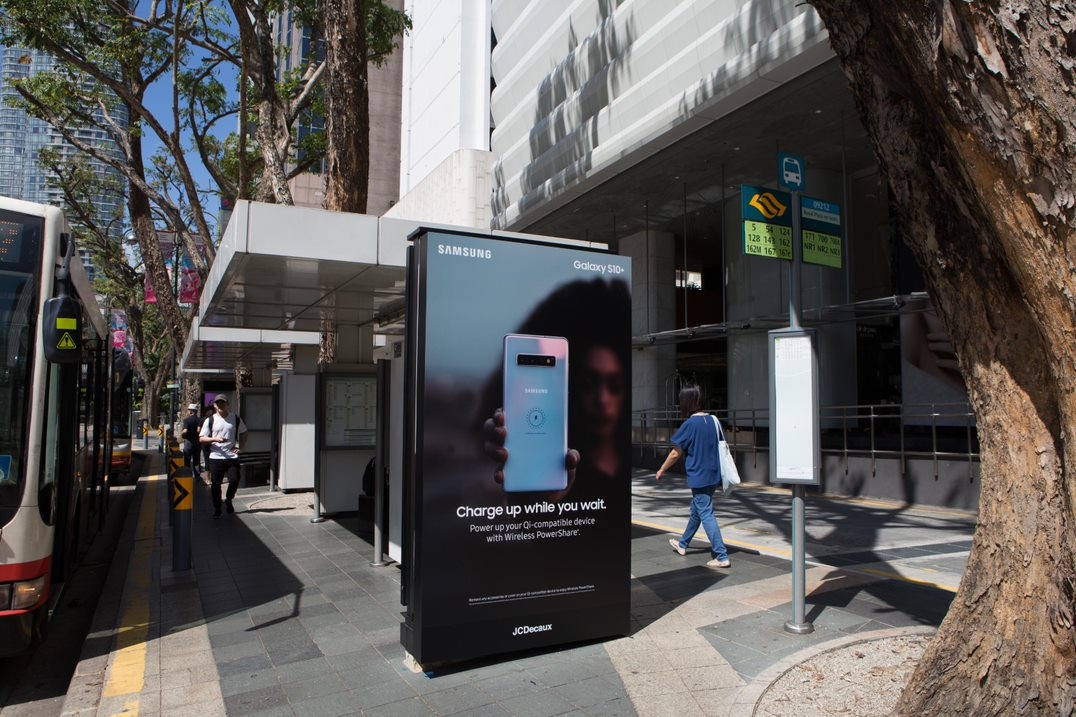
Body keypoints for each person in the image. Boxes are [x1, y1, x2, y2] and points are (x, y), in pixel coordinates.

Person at [655, 385, 731, 569]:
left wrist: (661, 469)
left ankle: (721, 556)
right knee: (697, 509)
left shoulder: (689, 424)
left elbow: (675, 453)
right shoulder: (714, 420)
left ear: (686, 403)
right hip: (713, 474)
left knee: (705, 512)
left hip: (699, 475)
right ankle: (682, 544)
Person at [199, 395, 247, 517]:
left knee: (234, 480)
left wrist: (240, 447)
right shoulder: (210, 420)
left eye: (222, 403)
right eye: (218, 404)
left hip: (232, 456)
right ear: (214, 405)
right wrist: (215, 439)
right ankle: (217, 507)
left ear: (227, 404)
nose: (220, 406)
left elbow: (244, 433)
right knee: (216, 484)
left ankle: (229, 499)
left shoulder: (235, 418)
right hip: (215, 457)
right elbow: (202, 438)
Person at [180, 403, 203, 481]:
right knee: (196, 460)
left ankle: (187, 474)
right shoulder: (200, 420)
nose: (187, 412)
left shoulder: (187, 420)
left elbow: (185, 431)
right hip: (198, 442)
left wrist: (181, 435)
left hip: (189, 442)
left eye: (188, 410)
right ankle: (197, 475)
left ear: (191, 412)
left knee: (187, 459)